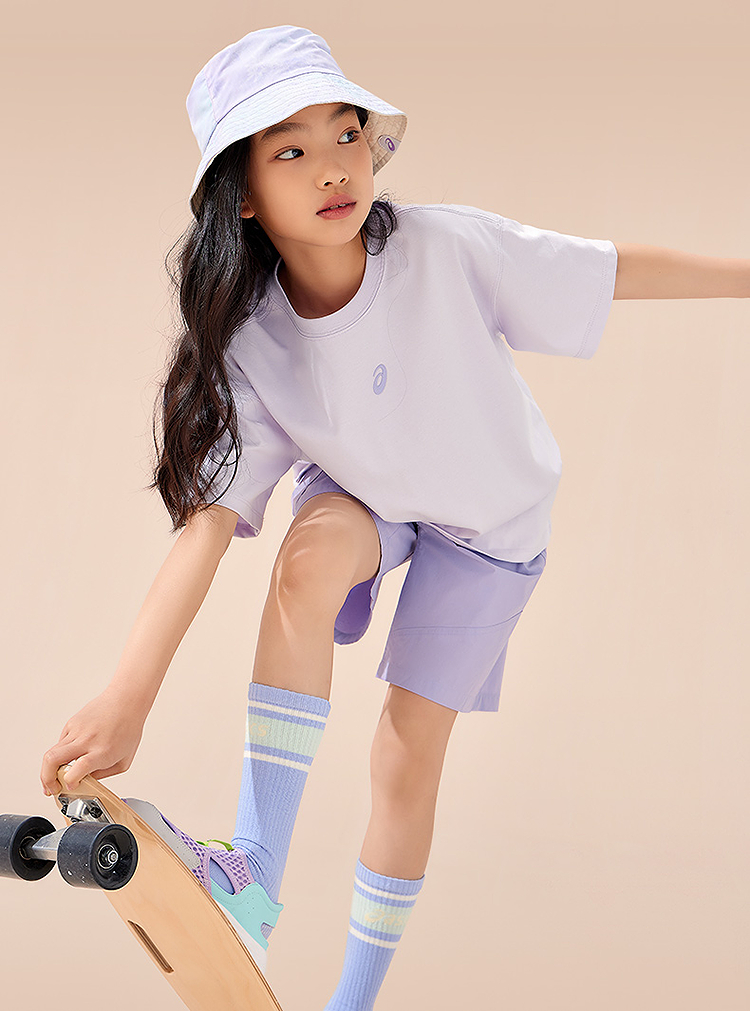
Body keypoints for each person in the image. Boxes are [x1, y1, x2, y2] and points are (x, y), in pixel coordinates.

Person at [38, 24, 749, 1011]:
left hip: (491, 529)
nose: (335, 167)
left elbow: (610, 269)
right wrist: (128, 697)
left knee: (403, 762)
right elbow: (206, 528)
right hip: (370, 496)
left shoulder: (445, 249)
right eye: (291, 150)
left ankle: (355, 1003)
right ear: (243, 195)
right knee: (305, 558)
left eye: (347, 133)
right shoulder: (253, 342)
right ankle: (252, 876)